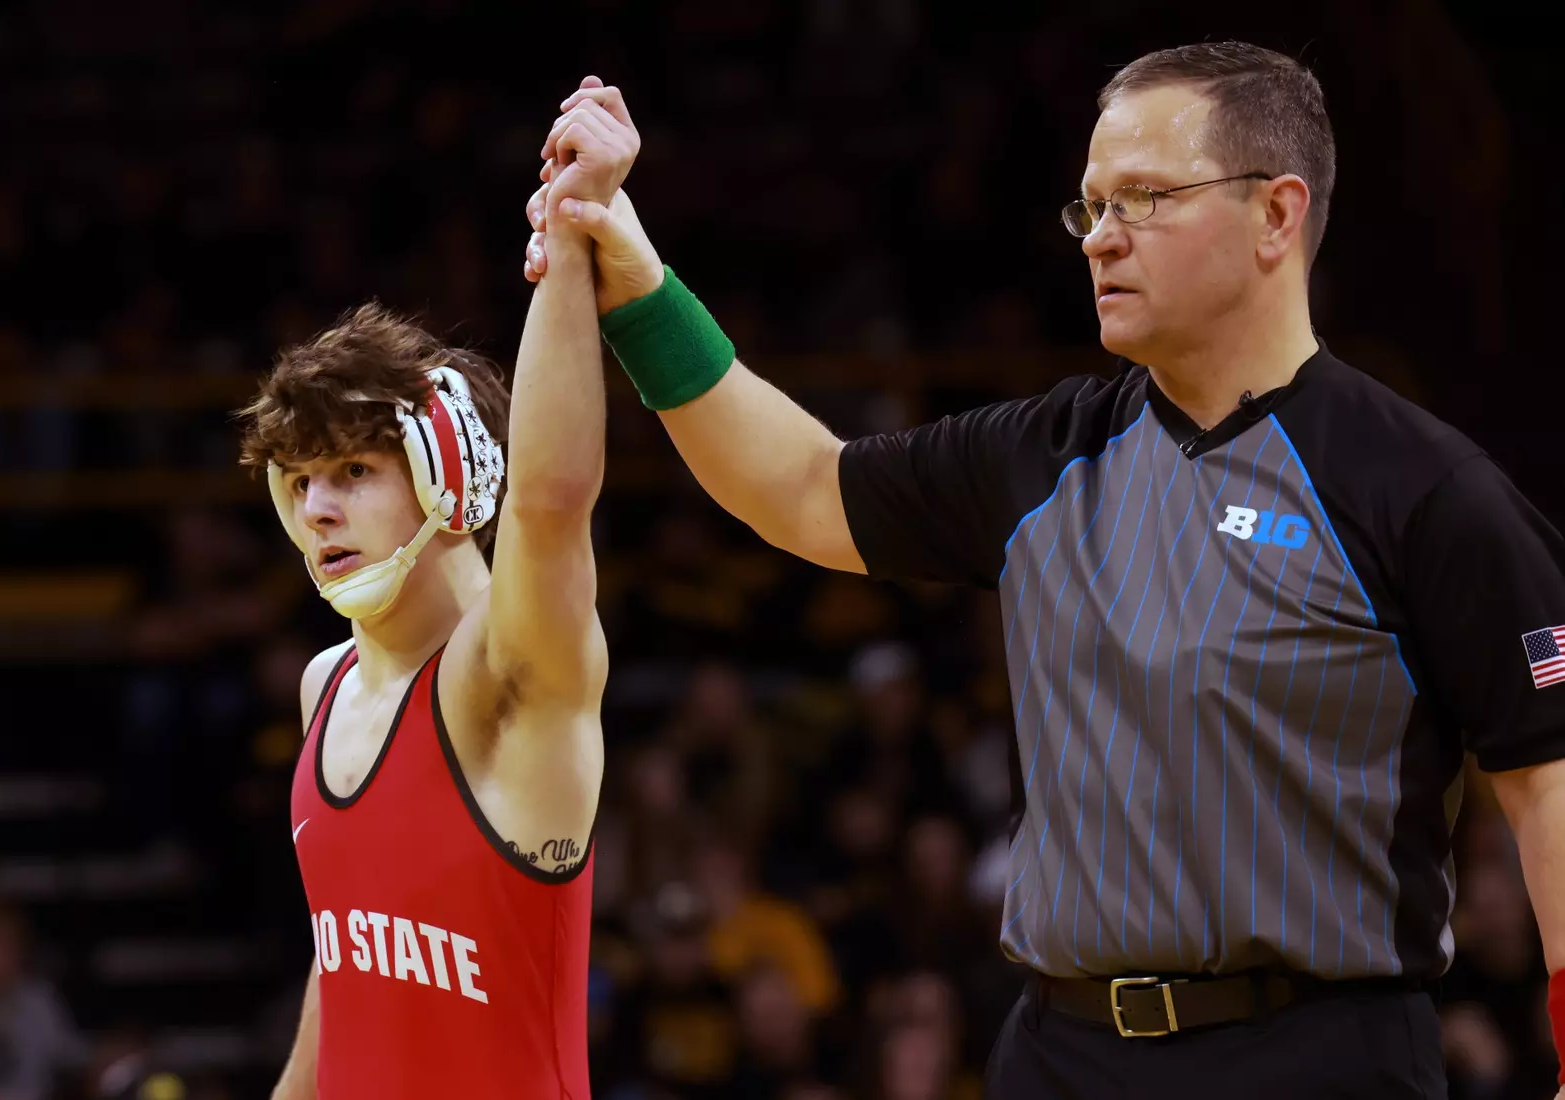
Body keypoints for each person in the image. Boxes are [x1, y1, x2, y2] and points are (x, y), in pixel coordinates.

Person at [523, 44, 1565, 1099]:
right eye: (1092, 206)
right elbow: (797, 488)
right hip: (1059, 1054)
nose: (1101, 238)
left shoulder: (1423, 488)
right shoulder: (1045, 454)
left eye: (1146, 199)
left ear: (1277, 215)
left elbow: (1549, 781)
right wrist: (633, 271)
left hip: (1321, 1058)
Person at [239, 76, 637, 1099]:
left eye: (353, 471)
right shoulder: (323, 686)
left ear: (444, 473)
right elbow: (348, 960)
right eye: (300, 483)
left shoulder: (509, 681)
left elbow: (549, 499)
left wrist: (571, 237)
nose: (318, 508)